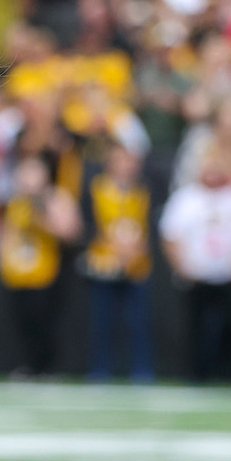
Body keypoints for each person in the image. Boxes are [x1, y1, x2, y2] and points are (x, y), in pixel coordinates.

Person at [159, 153, 231, 383]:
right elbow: (170, 234)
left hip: (230, 275)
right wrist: (180, 266)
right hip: (197, 275)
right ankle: (195, 373)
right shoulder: (186, 198)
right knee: (195, 328)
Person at [0, 154, 80, 376]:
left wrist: (42, 214)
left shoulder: (55, 198)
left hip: (47, 272)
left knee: (46, 322)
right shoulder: (15, 201)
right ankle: (27, 366)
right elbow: (7, 231)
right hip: (18, 273)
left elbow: (69, 233)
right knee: (22, 323)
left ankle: (49, 367)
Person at [81, 138, 155, 383]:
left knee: (138, 323)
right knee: (103, 322)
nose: (127, 166)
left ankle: (141, 371)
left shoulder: (144, 190)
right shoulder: (97, 188)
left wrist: (137, 250)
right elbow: (91, 225)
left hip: (136, 265)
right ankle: (100, 370)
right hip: (105, 264)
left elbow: (150, 227)